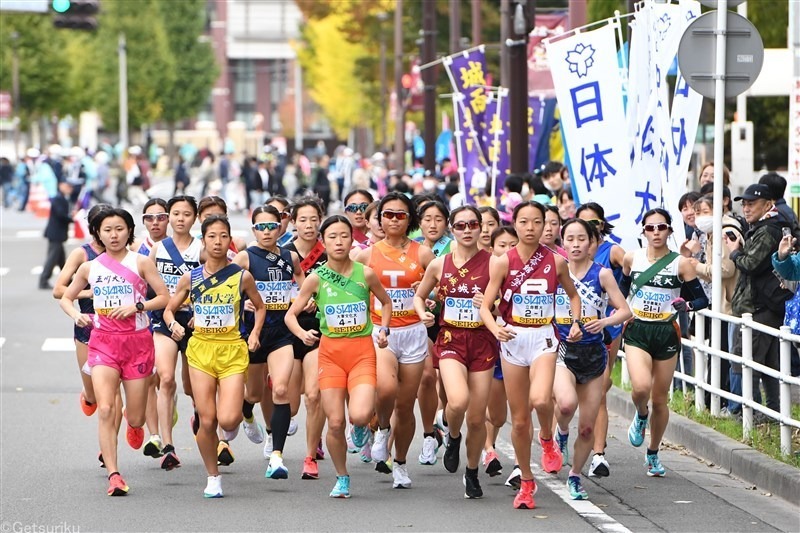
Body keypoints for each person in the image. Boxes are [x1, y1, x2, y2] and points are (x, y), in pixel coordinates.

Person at [479, 201, 583, 510]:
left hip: (543, 337)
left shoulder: (556, 261)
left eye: (537, 222)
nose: (530, 228)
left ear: (546, 226)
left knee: (540, 400)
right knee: (520, 420)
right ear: (515, 223)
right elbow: (486, 305)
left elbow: (573, 296)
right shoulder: (501, 262)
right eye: (523, 222)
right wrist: (495, 329)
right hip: (512, 338)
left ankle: (548, 438)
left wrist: (575, 322)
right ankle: (526, 481)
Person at [60, 208, 169, 496]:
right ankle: (114, 474)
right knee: (106, 408)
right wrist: (76, 315)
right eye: (107, 229)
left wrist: (138, 307)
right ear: (98, 233)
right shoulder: (89, 267)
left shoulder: (142, 262)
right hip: (103, 343)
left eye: (119, 229)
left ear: (129, 231)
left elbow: (164, 296)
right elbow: (66, 298)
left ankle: (134, 424)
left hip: (137, 343)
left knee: (134, 416)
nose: (114, 235)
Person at [286, 215, 392, 498]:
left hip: (362, 354)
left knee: (357, 415)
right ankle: (342, 476)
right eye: (332, 236)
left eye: (344, 235)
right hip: (330, 355)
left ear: (351, 239)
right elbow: (291, 315)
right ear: (324, 241)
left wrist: (383, 330)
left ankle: (362, 426)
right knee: (334, 422)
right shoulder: (316, 278)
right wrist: (302, 334)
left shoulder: (365, 273)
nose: (339, 241)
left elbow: (386, 302)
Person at [165, 215, 265, 498]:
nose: (218, 242)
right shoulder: (192, 277)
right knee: (207, 420)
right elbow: (169, 309)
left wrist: (255, 333)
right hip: (201, 350)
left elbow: (259, 306)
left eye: (223, 236)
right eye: (212, 236)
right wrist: (173, 324)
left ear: (229, 239)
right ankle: (213, 476)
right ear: (203, 241)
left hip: (232, 348)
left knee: (229, 419)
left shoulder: (240, 276)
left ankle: (244, 416)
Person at [414, 205, 497, 499]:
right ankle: (451, 435)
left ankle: (472, 471)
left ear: (480, 228)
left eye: (472, 224)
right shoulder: (439, 264)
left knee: (477, 418)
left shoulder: (494, 263)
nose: (467, 230)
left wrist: (489, 305)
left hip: (483, 341)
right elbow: (419, 296)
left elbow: (504, 305)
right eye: (460, 225)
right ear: (452, 229)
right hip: (450, 338)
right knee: (458, 400)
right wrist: (424, 314)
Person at [355, 191, 435, 488]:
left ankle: (400, 463)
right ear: (379, 219)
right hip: (381, 330)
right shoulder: (367, 255)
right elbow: (351, 290)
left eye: (400, 215)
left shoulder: (423, 254)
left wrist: (428, 296)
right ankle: (382, 428)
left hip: (413, 332)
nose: (393, 220)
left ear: (410, 219)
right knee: (386, 388)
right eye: (387, 214)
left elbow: (440, 290)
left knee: (406, 404)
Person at [621, 208, 708, 477]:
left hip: (666, 331)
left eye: (661, 227)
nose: (656, 232)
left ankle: (653, 452)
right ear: (643, 232)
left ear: (670, 230)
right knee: (641, 388)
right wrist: (621, 312)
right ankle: (640, 414)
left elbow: (702, 300)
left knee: (660, 399)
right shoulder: (631, 259)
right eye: (650, 228)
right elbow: (622, 291)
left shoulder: (681, 263)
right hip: (638, 330)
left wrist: (687, 303)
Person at [552, 219, 631, 500]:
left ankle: (574, 475)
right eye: (569, 239)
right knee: (565, 403)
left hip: (594, 354)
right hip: (562, 351)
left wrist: (604, 321)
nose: (575, 244)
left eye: (581, 239)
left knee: (586, 427)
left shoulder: (603, 274)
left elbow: (625, 311)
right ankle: (560, 431)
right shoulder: (555, 271)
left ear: (592, 243)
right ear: (562, 242)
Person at [233, 205, 305, 479]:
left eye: (271, 226)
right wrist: (244, 303)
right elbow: (227, 286)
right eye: (260, 227)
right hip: (253, 333)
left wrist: (301, 301)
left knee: (281, 389)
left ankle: (277, 456)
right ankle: (247, 413)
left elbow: (301, 281)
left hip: (281, 333)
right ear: (253, 230)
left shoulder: (290, 257)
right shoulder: (245, 257)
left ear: (280, 228)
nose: (266, 232)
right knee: (252, 393)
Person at [726, 184, 792, 416]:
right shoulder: (768, 226)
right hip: (765, 304)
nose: (745, 208)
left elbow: (750, 264)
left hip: (759, 306)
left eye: (751, 203)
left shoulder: (768, 230)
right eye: (743, 203)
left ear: (768, 204)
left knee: (747, 362)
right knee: (768, 365)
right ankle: (773, 414)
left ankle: (749, 416)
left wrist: (735, 252)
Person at [149, 195, 202, 470]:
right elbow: (148, 285)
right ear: (168, 216)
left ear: (195, 218)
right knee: (166, 378)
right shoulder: (158, 249)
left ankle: (201, 419)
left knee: (194, 385)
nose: (181, 219)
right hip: (163, 320)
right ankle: (168, 446)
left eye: (187, 214)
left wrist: (197, 314)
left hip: (196, 321)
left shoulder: (202, 249)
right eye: (176, 214)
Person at [576, 202, 626, 478]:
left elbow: (630, 269)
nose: (588, 230)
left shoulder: (612, 251)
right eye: (582, 224)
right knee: (566, 397)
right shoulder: (566, 258)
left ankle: (598, 453)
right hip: (569, 335)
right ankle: (561, 434)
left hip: (606, 331)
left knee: (601, 390)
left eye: (594, 224)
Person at [52, 203, 113, 425]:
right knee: (95, 393)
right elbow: (59, 290)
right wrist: (91, 292)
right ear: (93, 228)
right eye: (103, 227)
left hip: (118, 327)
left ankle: (108, 447)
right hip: (87, 324)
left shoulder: (124, 252)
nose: (110, 233)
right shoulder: (82, 254)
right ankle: (88, 396)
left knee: (111, 392)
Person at [282, 198, 329, 473]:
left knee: (314, 395)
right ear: (293, 222)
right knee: (291, 405)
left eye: (314, 219)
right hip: (289, 330)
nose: (309, 225)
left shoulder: (330, 253)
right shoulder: (282, 253)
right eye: (303, 220)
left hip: (320, 330)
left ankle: (310, 456)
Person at [414, 199, 452, 465]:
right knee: (427, 377)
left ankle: (445, 419)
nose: (433, 224)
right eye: (427, 218)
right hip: (417, 321)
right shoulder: (411, 247)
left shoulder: (455, 247)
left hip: (449, 320)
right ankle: (429, 434)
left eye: (438, 219)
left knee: (448, 385)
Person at [484, 226, 518, 484]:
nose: (507, 250)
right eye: (502, 245)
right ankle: (488, 448)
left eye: (512, 245)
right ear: (492, 248)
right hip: (492, 348)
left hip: (523, 347)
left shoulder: (530, 274)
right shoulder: (486, 274)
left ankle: (520, 466)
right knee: (496, 415)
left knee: (523, 407)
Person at [39, 181, 74, 290]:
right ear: (60, 186)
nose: (70, 189)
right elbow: (60, 215)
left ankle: (69, 281)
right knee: (52, 258)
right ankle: (43, 280)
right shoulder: (58, 198)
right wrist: (71, 218)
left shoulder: (62, 198)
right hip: (56, 233)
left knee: (61, 260)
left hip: (57, 233)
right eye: (67, 186)